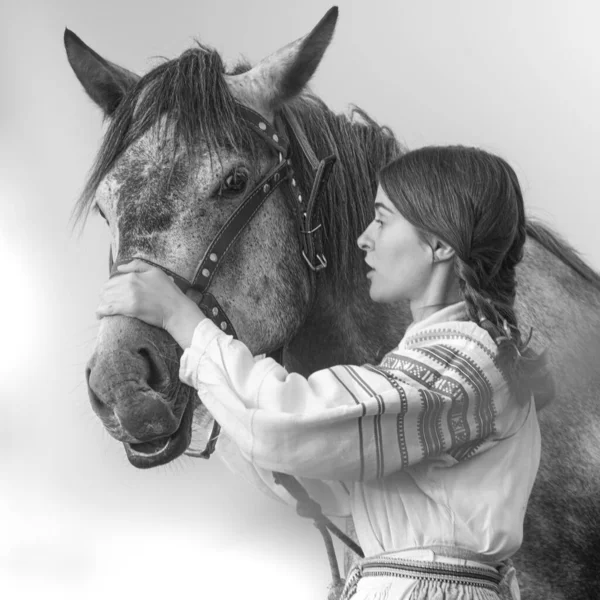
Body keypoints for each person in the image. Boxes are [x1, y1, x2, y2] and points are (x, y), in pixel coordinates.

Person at [97, 146, 553, 600]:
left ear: (439, 243)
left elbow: (291, 425)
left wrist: (184, 320)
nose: (363, 239)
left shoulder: (463, 363)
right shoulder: (449, 359)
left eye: (382, 218)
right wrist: (208, 386)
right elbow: (332, 477)